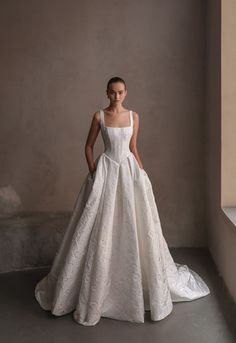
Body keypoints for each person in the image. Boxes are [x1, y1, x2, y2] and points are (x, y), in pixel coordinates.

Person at [35, 76, 210, 326]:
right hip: (106, 169)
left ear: (126, 93)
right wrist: (94, 170)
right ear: (106, 93)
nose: (116, 96)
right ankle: (95, 284)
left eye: (120, 92)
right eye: (112, 92)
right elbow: (88, 146)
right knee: (100, 224)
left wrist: (141, 172)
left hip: (128, 170)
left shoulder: (133, 117)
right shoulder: (99, 116)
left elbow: (133, 146)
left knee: (134, 221)